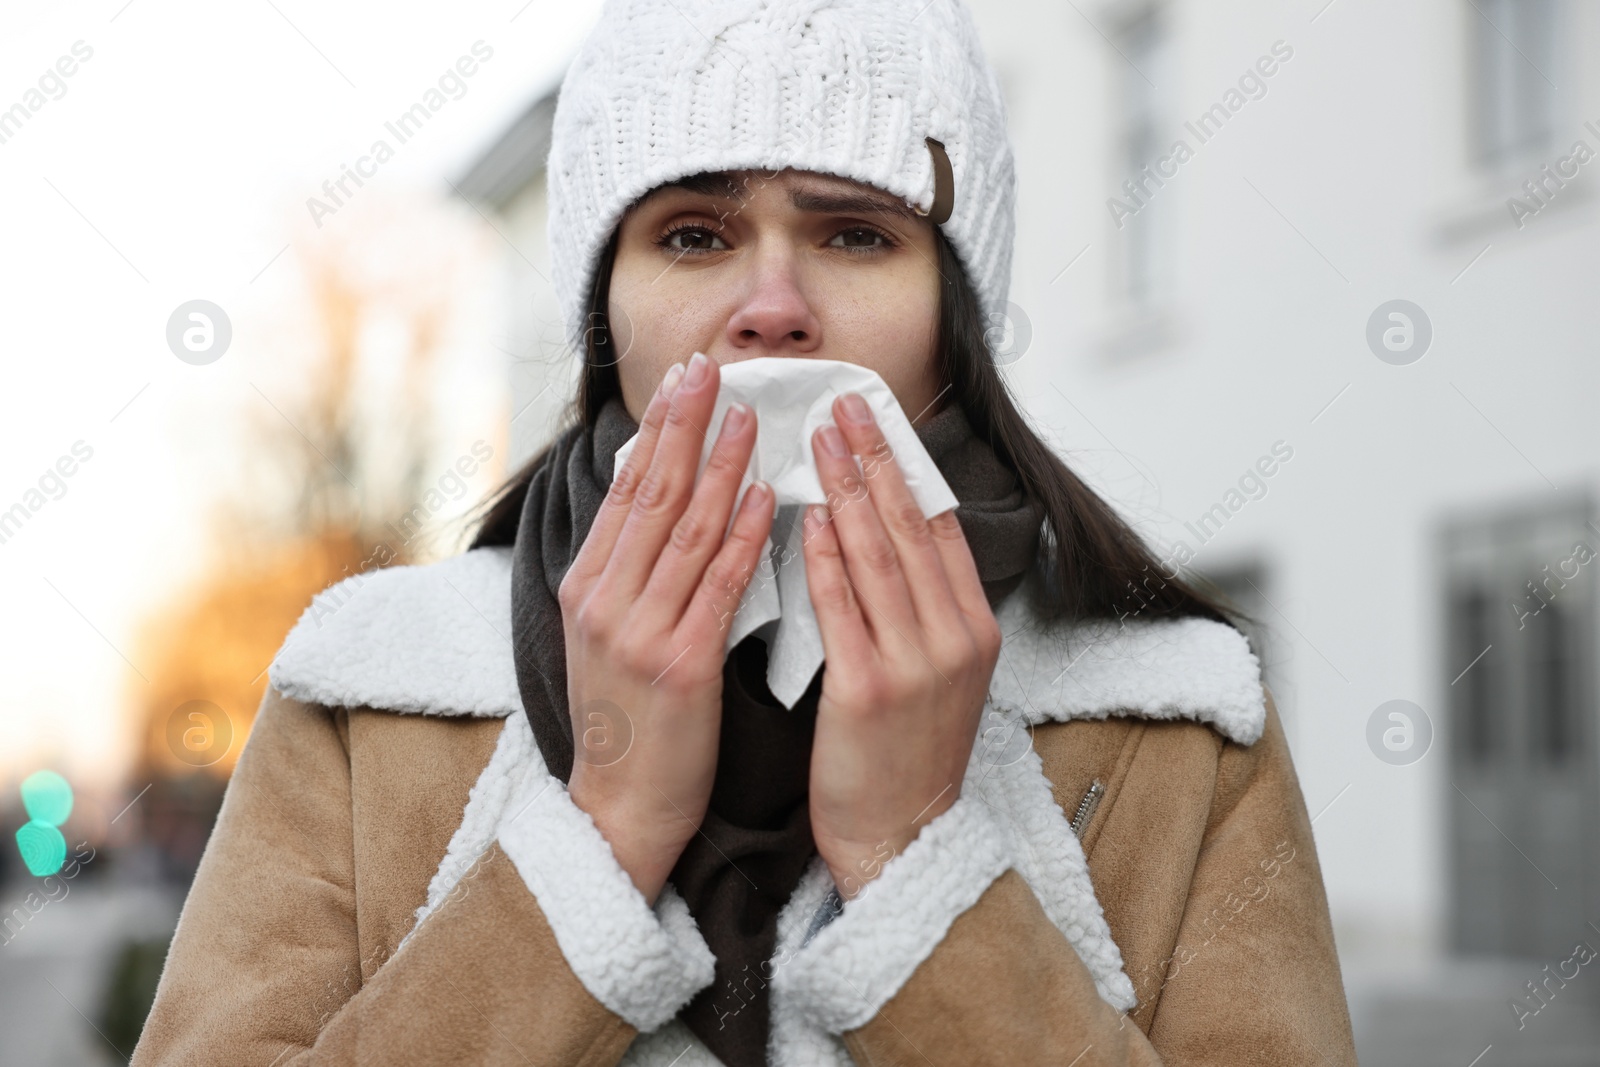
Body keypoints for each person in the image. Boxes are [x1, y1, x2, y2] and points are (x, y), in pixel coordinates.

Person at [131, 0, 1359, 1064]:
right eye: (694, 235)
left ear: (954, 311)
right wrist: (600, 833)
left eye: (854, 234)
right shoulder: (369, 687)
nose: (772, 309)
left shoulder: (1177, 718)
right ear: (605, 304)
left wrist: (914, 859)